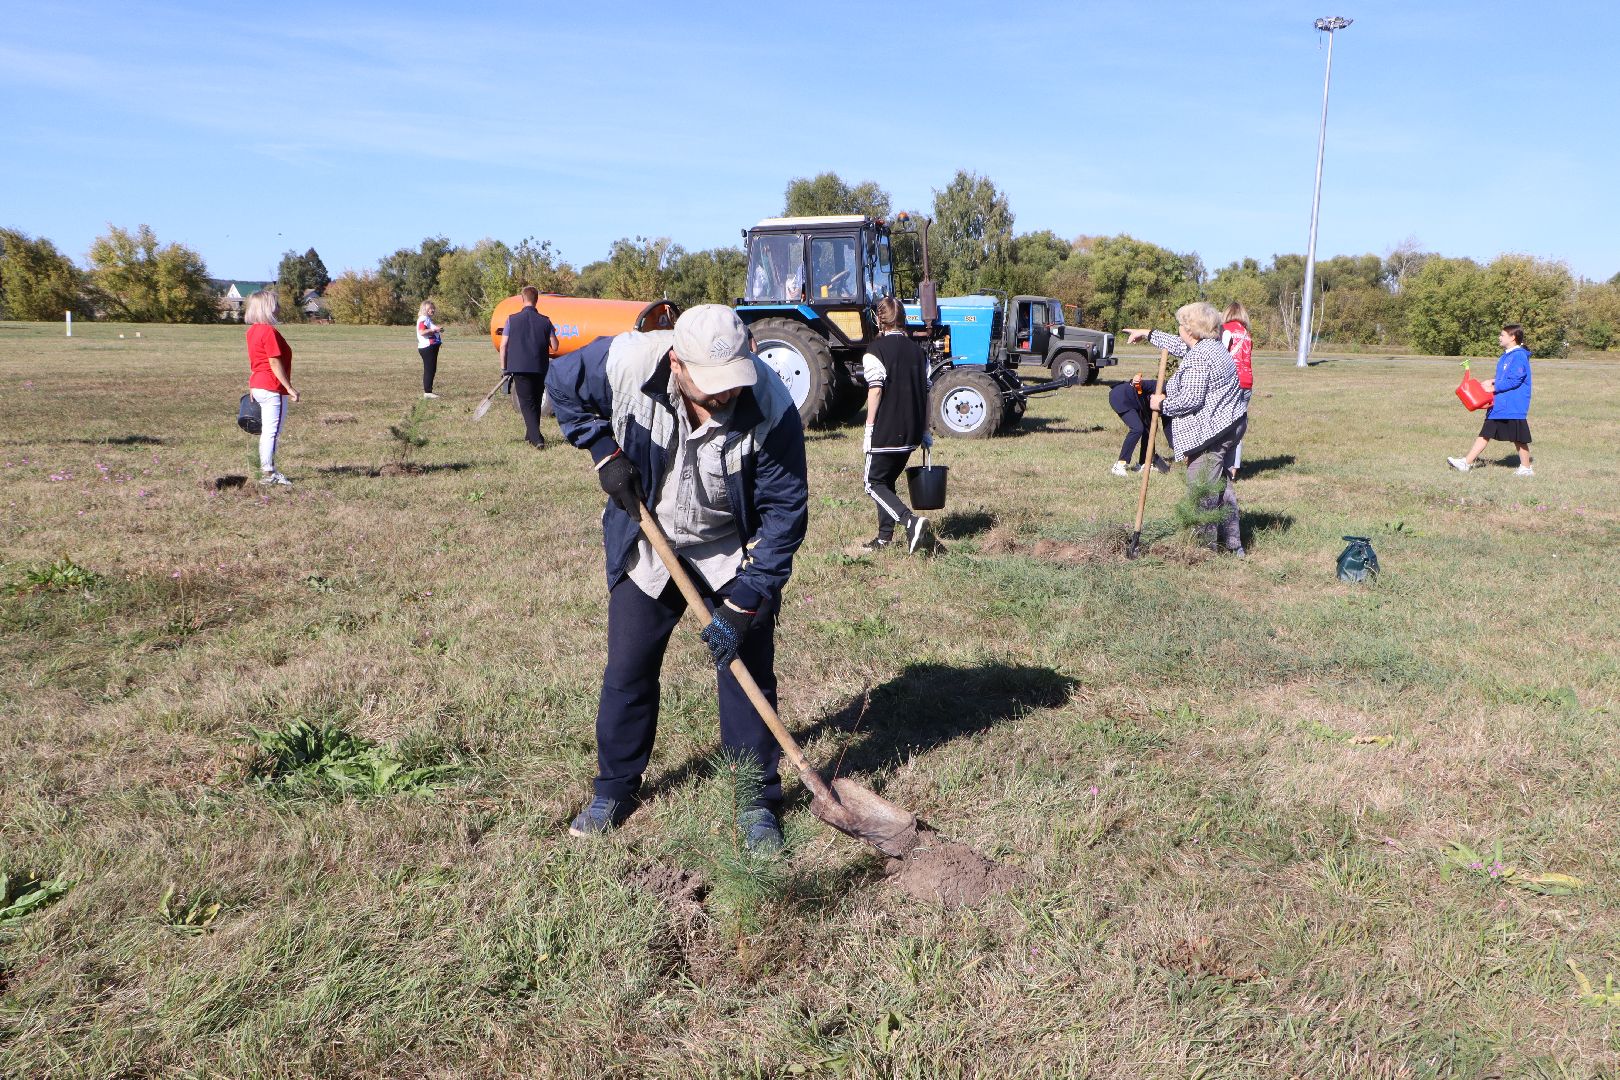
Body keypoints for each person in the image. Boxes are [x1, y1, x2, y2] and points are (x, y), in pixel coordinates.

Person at [546, 303, 808, 852]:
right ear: (676, 363)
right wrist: (602, 451)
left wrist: (747, 599)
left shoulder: (770, 404)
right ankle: (614, 788)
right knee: (628, 668)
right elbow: (559, 381)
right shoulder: (624, 363)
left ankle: (754, 799)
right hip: (649, 541)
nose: (724, 397)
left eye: (733, 382)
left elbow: (785, 512)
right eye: (711, 386)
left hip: (726, 549)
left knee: (745, 671)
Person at [1123, 302, 1249, 556]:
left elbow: (1190, 398)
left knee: (1202, 487)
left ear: (1191, 329)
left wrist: (1162, 403)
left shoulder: (1200, 358)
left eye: (1181, 324)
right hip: (1230, 424)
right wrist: (1148, 333)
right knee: (1220, 486)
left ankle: (1203, 550)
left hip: (1215, 431)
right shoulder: (1210, 347)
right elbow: (1181, 346)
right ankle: (1233, 544)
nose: (1179, 328)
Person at [860, 297, 932, 553]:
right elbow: (926, 393)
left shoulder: (875, 351)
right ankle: (884, 538)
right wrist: (924, 430)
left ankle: (910, 522)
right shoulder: (919, 352)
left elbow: (876, 390)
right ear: (903, 319)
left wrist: (869, 429)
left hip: (886, 430)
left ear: (880, 320)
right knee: (886, 480)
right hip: (911, 433)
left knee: (872, 483)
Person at [1448, 324, 1534, 475]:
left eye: (1502, 335)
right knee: (1486, 432)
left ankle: (1526, 468)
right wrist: (1493, 380)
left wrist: (1493, 387)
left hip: (1512, 404)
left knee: (1518, 438)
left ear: (1512, 337)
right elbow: (1507, 377)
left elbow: (1515, 380)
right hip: (1500, 403)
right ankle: (1466, 463)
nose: (1499, 338)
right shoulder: (1506, 356)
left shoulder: (1519, 355)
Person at [244, 289, 299, 486]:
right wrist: (289, 388)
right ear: (267, 307)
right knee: (272, 432)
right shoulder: (269, 332)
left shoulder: (252, 331)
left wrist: (252, 383)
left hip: (258, 385)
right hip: (272, 387)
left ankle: (265, 470)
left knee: (268, 431)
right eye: (276, 304)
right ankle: (268, 473)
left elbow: (255, 361)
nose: (279, 308)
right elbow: (274, 363)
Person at [499, 286, 559, 449]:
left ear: (522, 299)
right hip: (540, 367)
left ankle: (537, 438)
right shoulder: (545, 321)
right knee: (536, 400)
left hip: (519, 367)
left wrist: (504, 368)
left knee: (526, 402)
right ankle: (530, 434)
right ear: (537, 299)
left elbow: (503, 346)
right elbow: (555, 346)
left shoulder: (511, 319)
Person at [1107, 373, 1171, 477]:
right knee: (1137, 428)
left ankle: (1144, 463)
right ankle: (1120, 464)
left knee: (1149, 430)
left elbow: (1168, 427)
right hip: (1121, 396)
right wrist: (1136, 381)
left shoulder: (1170, 404)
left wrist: (1178, 449)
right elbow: (1141, 383)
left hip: (1138, 404)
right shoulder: (1163, 386)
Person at [1220, 302, 1254, 479]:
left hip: (1231, 383)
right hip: (1247, 383)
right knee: (1238, 428)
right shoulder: (1246, 334)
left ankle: (1223, 467)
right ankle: (1233, 468)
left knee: (1225, 426)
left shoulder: (1225, 330)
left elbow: (1220, 355)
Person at [415, 301, 444, 398]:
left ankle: (428, 391)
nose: (433, 310)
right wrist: (434, 330)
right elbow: (422, 332)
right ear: (425, 309)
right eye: (430, 308)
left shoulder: (427, 319)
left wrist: (438, 329)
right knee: (429, 369)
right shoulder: (423, 318)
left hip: (430, 347)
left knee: (431, 369)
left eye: (433, 308)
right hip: (427, 347)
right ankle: (427, 392)